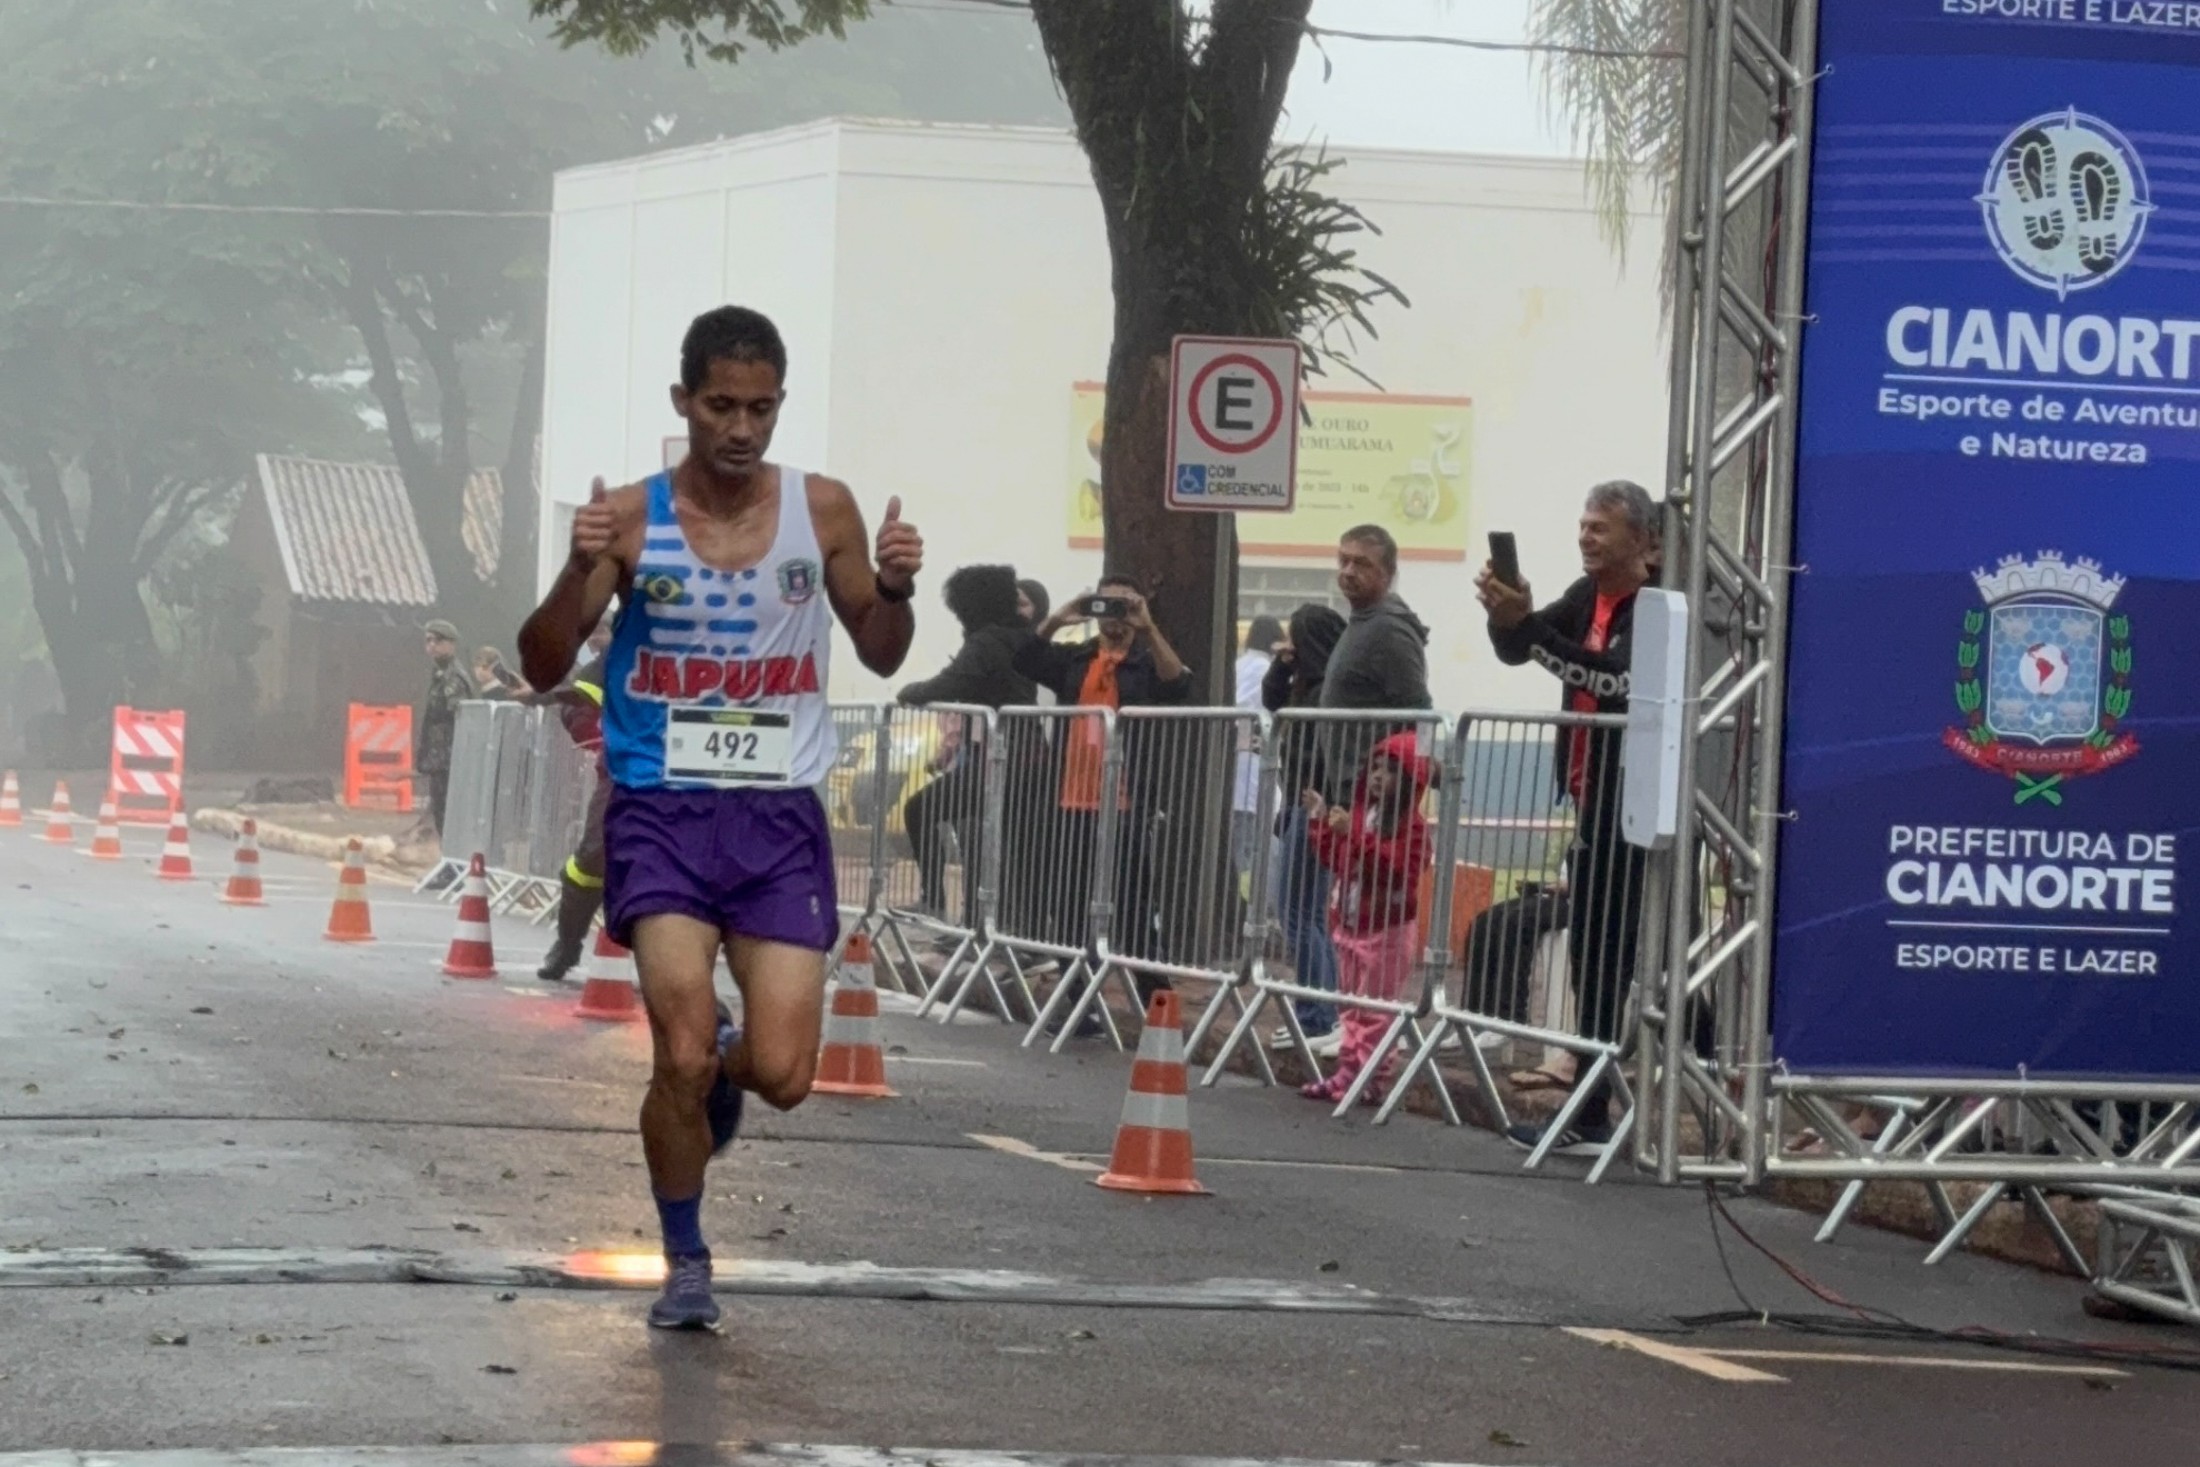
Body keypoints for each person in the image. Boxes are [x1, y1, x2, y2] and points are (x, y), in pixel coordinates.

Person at [517, 304, 924, 1330]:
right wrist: (574, 565)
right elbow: (541, 661)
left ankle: (725, 1068)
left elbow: (880, 650)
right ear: (684, 402)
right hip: (660, 810)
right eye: (721, 406)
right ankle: (686, 1259)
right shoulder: (630, 519)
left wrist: (896, 588)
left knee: (782, 1074)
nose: (741, 428)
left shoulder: (822, 510)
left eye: (761, 408)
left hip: (776, 819)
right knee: (680, 1052)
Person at [1476, 479, 1658, 1159]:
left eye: (1599, 527)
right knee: (1590, 956)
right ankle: (1588, 1109)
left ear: (1642, 540)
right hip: (1588, 800)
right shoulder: (1587, 594)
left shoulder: (1655, 604)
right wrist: (1508, 617)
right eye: (1582, 525)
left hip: (1635, 807)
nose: (1585, 536)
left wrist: (1529, 629)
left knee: (1617, 956)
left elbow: (1611, 680)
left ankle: (1598, 1107)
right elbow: (1521, 649)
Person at [1015, 574, 1193, 1028]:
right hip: (1072, 799)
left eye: (1122, 606)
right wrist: (1060, 617)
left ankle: (1159, 1006)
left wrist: (1148, 628)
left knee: (1133, 912)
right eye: (1104, 605)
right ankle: (1079, 1006)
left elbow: (1178, 686)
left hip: (1125, 803)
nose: (1113, 616)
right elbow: (1024, 659)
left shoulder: (1144, 662)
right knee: (1069, 908)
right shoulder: (1075, 658)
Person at [1298, 733, 1435, 1108]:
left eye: (1389, 770)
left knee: (1376, 1009)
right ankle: (1350, 1070)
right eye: (1374, 768)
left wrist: (1354, 836)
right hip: (1351, 924)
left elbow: (1397, 870)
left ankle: (1371, 1077)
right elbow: (1339, 859)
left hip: (1386, 930)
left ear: (1408, 781)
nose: (1377, 775)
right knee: (1351, 1006)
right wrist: (1319, 821)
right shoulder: (1363, 817)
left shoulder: (1413, 828)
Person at [897, 564, 1038, 923]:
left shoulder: (985, 642)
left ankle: (935, 900)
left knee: (920, 809)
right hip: (1020, 755)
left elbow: (950, 683)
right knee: (1006, 847)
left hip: (999, 758)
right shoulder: (1019, 637)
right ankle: (993, 923)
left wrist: (910, 691)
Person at [1262, 604, 1348, 1053]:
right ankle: (1319, 1011)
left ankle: (1317, 1016)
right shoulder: (1310, 686)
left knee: (1297, 913)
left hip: (1310, 806)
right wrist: (1282, 665)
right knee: (1307, 915)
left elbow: (1314, 755)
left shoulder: (1323, 695)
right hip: (1305, 806)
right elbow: (1271, 699)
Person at [1319, 525, 1431, 805]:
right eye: (1343, 560)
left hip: (1375, 798)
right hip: (1351, 794)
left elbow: (1421, 710)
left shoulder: (1389, 629)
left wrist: (1416, 775)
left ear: (1387, 574)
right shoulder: (1363, 621)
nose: (1348, 571)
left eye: (1361, 563)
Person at [535, 620, 616, 983]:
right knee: (592, 857)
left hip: (707, 781)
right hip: (629, 775)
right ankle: (567, 944)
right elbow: (579, 702)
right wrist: (592, 731)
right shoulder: (619, 657)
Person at [1231, 615, 1284, 886]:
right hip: (1252, 761)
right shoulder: (1264, 668)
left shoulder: (1239, 664)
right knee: (1251, 845)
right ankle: (1251, 900)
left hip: (1241, 763)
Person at [416, 619, 474, 841]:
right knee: (440, 812)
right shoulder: (440, 673)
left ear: (451, 644)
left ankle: (453, 858)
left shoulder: (453, 676)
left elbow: (459, 717)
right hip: (440, 757)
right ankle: (449, 855)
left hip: (451, 757)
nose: (432, 645)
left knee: (449, 814)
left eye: (438, 640)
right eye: (428, 640)